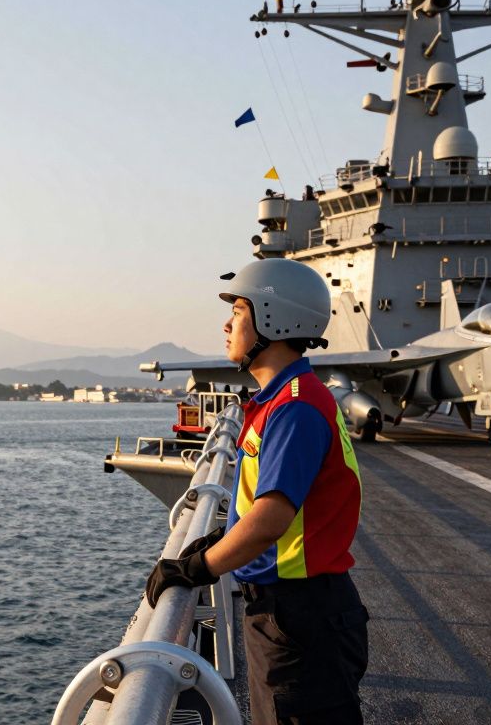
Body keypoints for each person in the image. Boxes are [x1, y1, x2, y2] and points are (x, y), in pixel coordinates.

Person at [144, 259, 368, 724]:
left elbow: (271, 519)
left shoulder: (294, 408)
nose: (227, 325)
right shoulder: (288, 399)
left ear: (273, 318)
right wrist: (223, 536)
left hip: (300, 619)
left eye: (238, 311)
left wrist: (197, 567)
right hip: (297, 612)